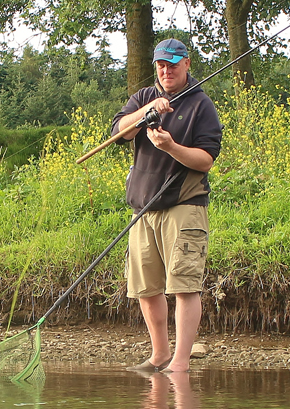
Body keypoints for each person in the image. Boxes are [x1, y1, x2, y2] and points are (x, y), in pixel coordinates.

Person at [114, 38, 223, 373]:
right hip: (143, 209)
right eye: (161, 65)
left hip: (184, 205)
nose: (166, 71)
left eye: (173, 65)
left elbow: (206, 160)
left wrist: (171, 147)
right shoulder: (144, 97)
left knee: (184, 286)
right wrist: (146, 112)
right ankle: (159, 354)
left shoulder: (201, 105)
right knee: (146, 288)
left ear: (187, 64)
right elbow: (120, 131)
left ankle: (180, 362)